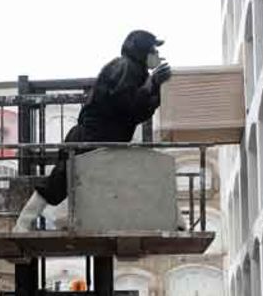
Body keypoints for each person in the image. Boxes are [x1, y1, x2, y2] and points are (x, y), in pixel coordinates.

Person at [13, 29, 173, 231]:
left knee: (63, 180)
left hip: (100, 139)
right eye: (153, 50)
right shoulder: (125, 67)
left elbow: (139, 111)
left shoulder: (135, 71)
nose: (157, 56)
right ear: (143, 51)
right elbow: (126, 105)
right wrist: (152, 85)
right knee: (62, 181)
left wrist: (154, 87)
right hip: (93, 139)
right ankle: (25, 223)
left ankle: (27, 223)